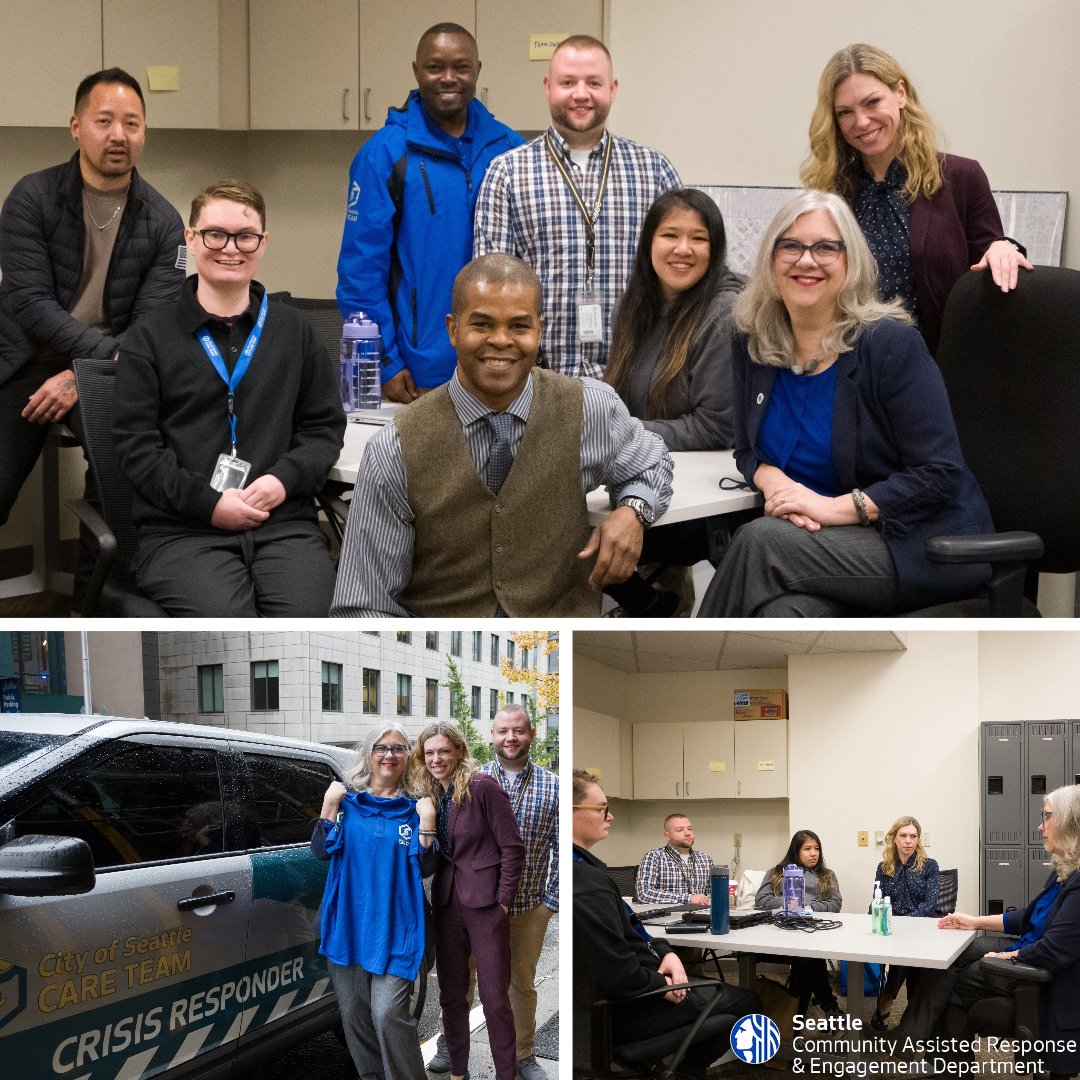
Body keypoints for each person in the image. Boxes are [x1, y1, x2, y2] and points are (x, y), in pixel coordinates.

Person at [697, 189, 994, 618]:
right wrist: (771, 479)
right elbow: (746, 450)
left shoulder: (891, 345)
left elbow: (939, 473)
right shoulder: (752, 339)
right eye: (791, 246)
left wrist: (833, 508)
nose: (806, 260)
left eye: (825, 248)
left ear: (850, 261)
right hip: (821, 541)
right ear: (770, 260)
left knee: (760, 541)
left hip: (916, 542)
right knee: (782, 614)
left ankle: (680, 657)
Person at [329, 254, 674, 618]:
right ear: (452, 329)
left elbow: (653, 462)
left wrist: (633, 511)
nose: (500, 340)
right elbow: (362, 606)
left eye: (519, 326)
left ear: (540, 331)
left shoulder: (589, 409)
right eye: (482, 324)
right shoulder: (395, 448)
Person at [113, 180, 345, 616]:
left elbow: (323, 429)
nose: (230, 248)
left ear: (263, 242)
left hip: (282, 524)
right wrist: (210, 504)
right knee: (229, 624)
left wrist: (282, 482)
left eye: (245, 236)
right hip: (183, 532)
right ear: (190, 238)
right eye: (215, 234)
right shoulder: (149, 336)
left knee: (306, 621)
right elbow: (137, 448)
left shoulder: (295, 332)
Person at [0, 68, 184, 529]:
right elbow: (30, 301)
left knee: (122, 470)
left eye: (131, 123)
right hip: (26, 357)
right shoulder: (32, 197)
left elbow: (152, 324)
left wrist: (85, 374)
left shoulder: (165, 223)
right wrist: (98, 362)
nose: (118, 135)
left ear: (144, 132)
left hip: (111, 365)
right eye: (104, 121)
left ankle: (96, 576)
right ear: (76, 126)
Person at [801, 43, 1032, 355]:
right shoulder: (830, 191)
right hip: (850, 361)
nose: (862, 121)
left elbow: (990, 256)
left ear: (901, 93)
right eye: (845, 112)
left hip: (937, 362)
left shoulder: (961, 177)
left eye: (872, 102)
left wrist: (1004, 247)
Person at [473, 35, 680, 378]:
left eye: (593, 83)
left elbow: (682, 279)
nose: (581, 94)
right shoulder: (507, 173)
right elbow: (491, 288)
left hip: (634, 382)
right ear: (547, 87)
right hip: (539, 380)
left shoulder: (654, 171)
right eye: (567, 82)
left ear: (612, 89)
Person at [336, 23, 523, 402]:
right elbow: (360, 274)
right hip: (419, 375)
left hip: (500, 366)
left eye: (461, 67)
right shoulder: (384, 154)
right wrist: (384, 363)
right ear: (416, 70)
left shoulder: (510, 149)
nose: (448, 78)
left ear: (478, 70)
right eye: (435, 67)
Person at [604, 187, 744, 615]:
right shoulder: (634, 305)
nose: (683, 249)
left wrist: (620, 432)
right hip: (649, 474)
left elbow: (715, 427)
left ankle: (649, 606)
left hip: (702, 505)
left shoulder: (726, 313)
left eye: (698, 238)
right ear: (649, 242)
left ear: (714, 249)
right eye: (670, 235)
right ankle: (651, 605)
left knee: (572, 534)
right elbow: (621, 400)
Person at [573, 770, 759, 1080]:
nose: (610, 816)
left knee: (706, 987)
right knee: (748, 1001)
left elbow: (631, 925)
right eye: (602, 808)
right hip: (631, 1005)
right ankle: (684, 1072)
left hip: (631, 985)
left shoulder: (585, 871)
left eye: (690, 828)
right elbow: (617, 973)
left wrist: (664, 950)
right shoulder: (589, 884)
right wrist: (660, 984)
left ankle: (662, 1064)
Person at [905, 785, 1080, 1079]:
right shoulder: (1064, 872)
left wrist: (1009, 956)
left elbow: (1053, 951)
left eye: (1047, 816)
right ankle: (915, 1039)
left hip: (1038, 974)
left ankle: (941, 1062)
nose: (1040, 826)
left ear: (1070, 822)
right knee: (956, 953)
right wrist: (974, 921)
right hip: (1028, 951)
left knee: (955, 984)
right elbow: (1026, 918)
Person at [311, 723, 436, 1080]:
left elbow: (428, 866)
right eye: (381, 747)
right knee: (354, 1015)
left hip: (398, 928)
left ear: (407, 756)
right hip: (348, 925)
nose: (389, 755)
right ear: (368, 753)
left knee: (388, 1014)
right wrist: (329, 804)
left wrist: (428, 821)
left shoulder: (416, 808)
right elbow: (320, 851)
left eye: (398, 748)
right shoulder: (346, 804)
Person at [413, 722, 525, 1080]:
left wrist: (503, 901)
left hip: (486, 904)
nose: (436, 759)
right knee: (452, 996)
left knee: (494, 999)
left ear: (459, 751)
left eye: (443, 751)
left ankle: (506, 1074)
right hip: (447, 903)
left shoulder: (483, 786)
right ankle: (458, 1073)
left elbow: (513, 848)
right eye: (430, 753)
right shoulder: (429, 794)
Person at [754, 829, 843, 1016]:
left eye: (817, 848)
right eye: (807, 849)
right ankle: (828, 1005)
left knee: (808, 957)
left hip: (814, 931)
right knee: (810, 958)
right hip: (782, 933)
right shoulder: (777, 873)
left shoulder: (826, 875)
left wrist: (808, 907)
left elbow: (835, 904)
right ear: (796, 851)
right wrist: (791, 903)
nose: (814, 853)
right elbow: (762, 901)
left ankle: (799, 1016)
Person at [870, 815, 940, 1030]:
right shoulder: (884, 867)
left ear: (918, 839)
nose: (908, 841)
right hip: (892, 929)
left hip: (921, 927)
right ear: (894, 838)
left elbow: (930, 904)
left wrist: (906, 923)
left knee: (907, 952)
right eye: (903, 836)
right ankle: (913, 1013)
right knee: (905, 951)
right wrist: (872, 919)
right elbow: (876, 900)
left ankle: (888, 998)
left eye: (913, 836)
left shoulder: (929, 866)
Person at [636, 814, 713, 906]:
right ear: (667, 836)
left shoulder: (705, 859)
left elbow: (713, 893)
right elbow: (644, 894)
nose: (687, 833)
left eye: (689, 829)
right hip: (668, 913)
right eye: (680, 830)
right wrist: (688, 899)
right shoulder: (654, 857)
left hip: (700, 913)